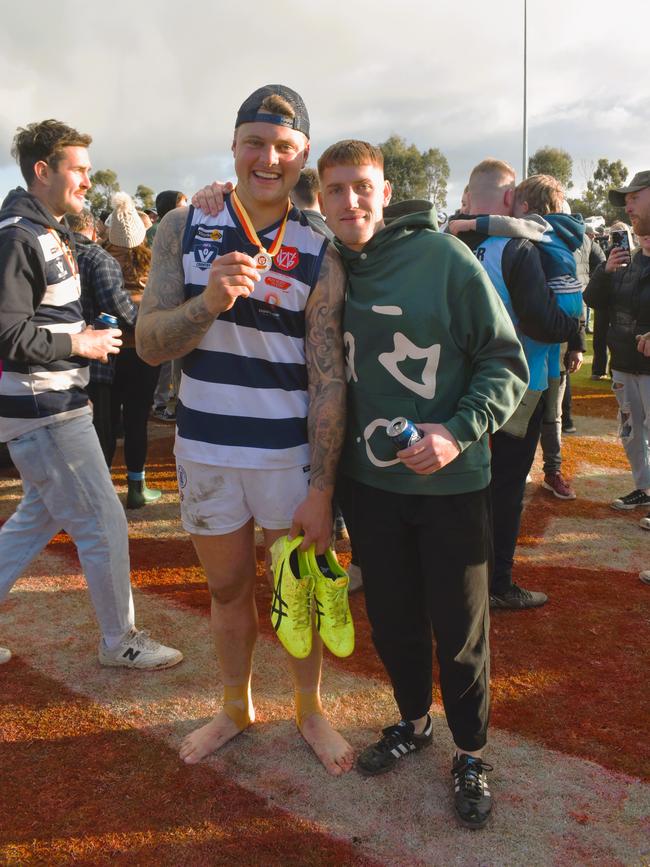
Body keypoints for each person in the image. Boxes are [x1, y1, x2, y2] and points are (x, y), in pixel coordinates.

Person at [136, 85, 351, 776]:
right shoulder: (182, 226)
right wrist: (208, 303)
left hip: (285, 457)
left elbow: (327, 377)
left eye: (284, 146)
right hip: (205, 451)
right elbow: (147, 344)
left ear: (303, 156)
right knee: (227, 591)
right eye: (255, 142)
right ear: (234, 146)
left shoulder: (320, 244)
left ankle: (309, 709)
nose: (268, 157)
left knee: (298, 594)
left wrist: (321, 486)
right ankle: (235, 705)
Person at [317, 141, 528, 829]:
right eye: (337, 189)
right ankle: (413, 719)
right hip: (369, 486)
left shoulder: (443, 257)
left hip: (451, 483)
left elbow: (505, 360)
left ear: (386, 191)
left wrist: (456, 431)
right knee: (395, 617)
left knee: (459, 626)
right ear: (319, 199)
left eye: (363, 187)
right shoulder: (329, 263)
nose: (351, 201)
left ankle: (471, 749)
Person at [0, 119, 182, 669]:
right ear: (42, 170)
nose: (86, 180)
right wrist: (80, 341)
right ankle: (119, 640)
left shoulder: (45, 228)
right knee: (104, 522)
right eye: (77, 169)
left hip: (50, 404)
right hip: (46, 408)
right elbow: (9, 335)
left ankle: (119, 638)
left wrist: (83, 339)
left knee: (34, 520)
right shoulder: (19, 234)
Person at [450, 160, 581, 608]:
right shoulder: (520, 248)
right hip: (514, 386)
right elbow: (545, 323)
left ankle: (454, 575)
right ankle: (497, 585)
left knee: (464, 485)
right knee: (505, 488)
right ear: (511, 201)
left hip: (457, 384)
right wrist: (573, 325)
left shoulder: (449, 242)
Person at [584, 225, 650, 520]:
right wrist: (605, 270)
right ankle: (645, 488)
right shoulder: (623, 265)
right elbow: (592, 300)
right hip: (623, 363)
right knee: (630, 431)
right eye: (642, 229)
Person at [67, 209, 138, 465]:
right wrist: (146, 325)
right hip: (95, 362)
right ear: (95, 231)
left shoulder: (52, 255)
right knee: (98, 433)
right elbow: (116, 305)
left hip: (55, 359)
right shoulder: (98, 258)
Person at [104, 192, 161, 508]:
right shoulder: (152, 261)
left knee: (107, 421)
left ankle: (102, 491)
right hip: (142, 351)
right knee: (137, 420)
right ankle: (137, 488)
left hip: (108, 349)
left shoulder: (99, 260)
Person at [149, 189, 188, 422]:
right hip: (172, 301)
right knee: (173, 358)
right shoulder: (172, 229)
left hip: (157, 300)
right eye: (183, 203)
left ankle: (164, 401)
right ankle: (168, 402)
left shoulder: (153, 230)